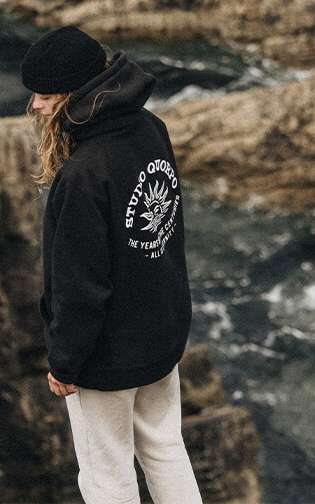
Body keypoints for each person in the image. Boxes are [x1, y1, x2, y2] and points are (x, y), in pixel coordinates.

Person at [21, 25, 202, 504]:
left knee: (107, 475)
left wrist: (65, 361)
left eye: (43, 94)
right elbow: (164, 230)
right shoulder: (150, 129)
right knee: (165, 447)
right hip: (161, 330)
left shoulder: (83, 174)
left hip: (106, 353)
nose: (35, 106)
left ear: (73, 93)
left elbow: (80, 287)